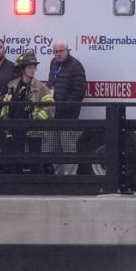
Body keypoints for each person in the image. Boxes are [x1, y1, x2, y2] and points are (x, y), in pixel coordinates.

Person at [0, 52, 55, 173]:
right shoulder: (12, 85)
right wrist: (5, 121)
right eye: (29, 67)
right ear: (22, 69)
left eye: (34, 67)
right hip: (14, 130)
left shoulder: (41, 88)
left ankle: (37, 187)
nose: (33, 69)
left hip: (33, 131)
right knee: (14, 162)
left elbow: (50, 108)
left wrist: (35, 120)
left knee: (35, 161)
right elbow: (5, 105)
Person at [47, 40, 88, 174]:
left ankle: (70, 176)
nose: (58, 54)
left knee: (68, 146)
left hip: (68, 114)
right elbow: (51, 83)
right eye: (55, 51)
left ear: (67, 51)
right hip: (53, 113)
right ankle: (58, 175)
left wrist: (65, 106)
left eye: (60, 51)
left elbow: (79, 92)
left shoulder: (76, 66)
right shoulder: (53, 63)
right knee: (54, 146)